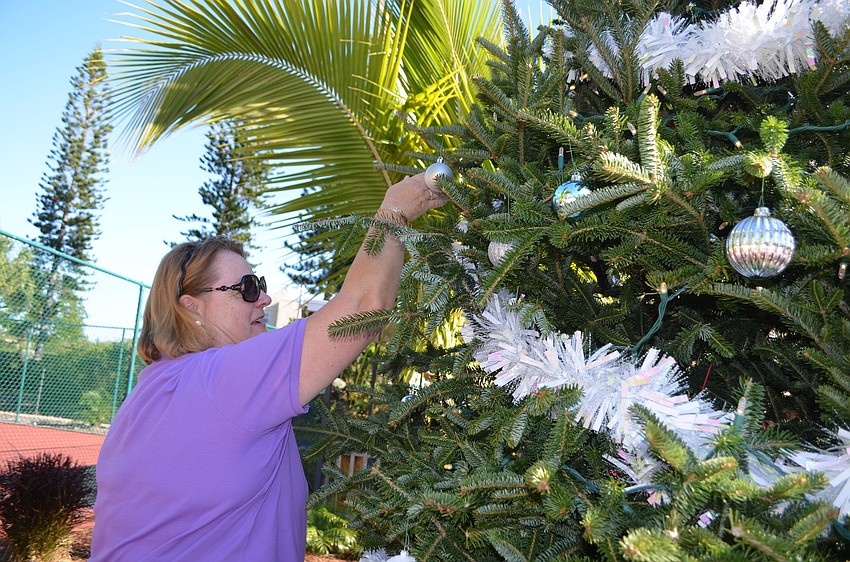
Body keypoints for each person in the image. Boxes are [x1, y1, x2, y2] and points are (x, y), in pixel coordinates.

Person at [89, 172, 447, 561]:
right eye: (246, 288)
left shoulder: (150, 390)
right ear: (190, 307)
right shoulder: (221, 380)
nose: (264, 297)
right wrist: (395, 211)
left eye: (258, 283)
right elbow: (362, 310)